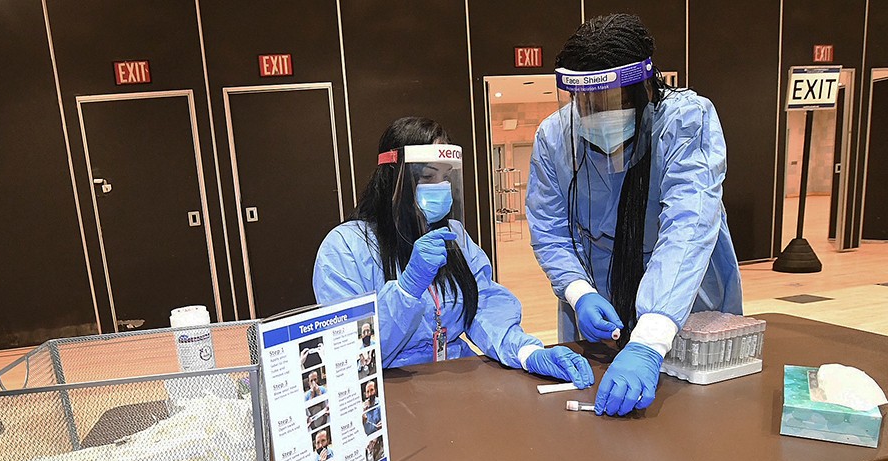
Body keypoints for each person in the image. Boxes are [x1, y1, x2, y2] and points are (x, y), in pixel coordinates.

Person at [527, 14, 743, 417]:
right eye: (585, 102)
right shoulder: (555, 137)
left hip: (681, 299)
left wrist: (651, 338)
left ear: (646, 85)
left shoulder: (685, 121)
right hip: (600, 299)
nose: (595, 113)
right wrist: (579, 292)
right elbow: (550, 230)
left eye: (610, 101)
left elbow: (688, 227)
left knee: (698, 421)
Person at [313, 117, 593, 388]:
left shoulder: (454, 235)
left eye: (446, 176)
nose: (441, 188)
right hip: (391, 391)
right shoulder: (345, 248)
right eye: (427, 176)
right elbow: (352, 350)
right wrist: (407, 290)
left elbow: (483, 304)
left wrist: (527, 352)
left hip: (458, 382)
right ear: (393, 179)